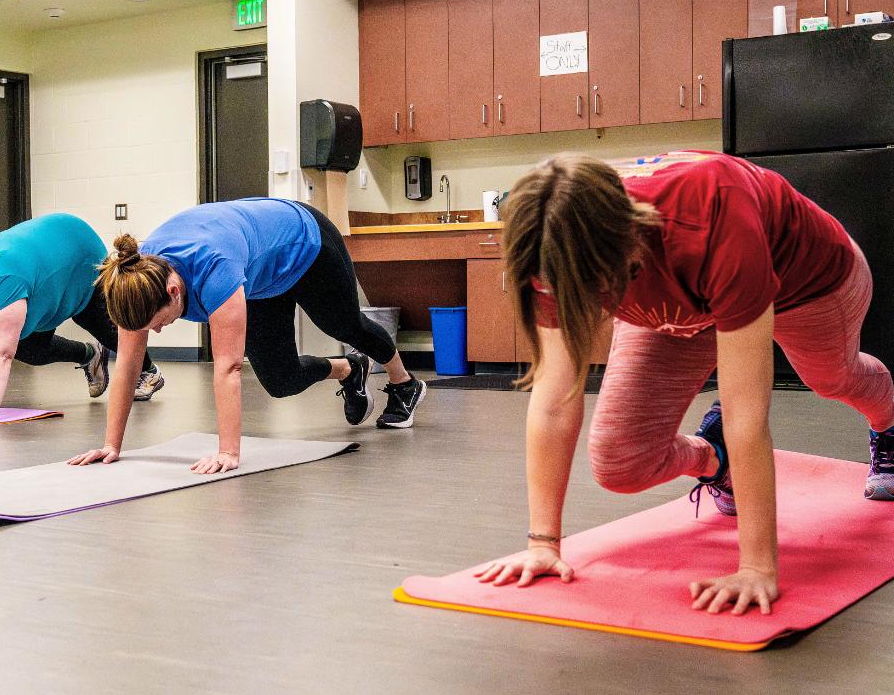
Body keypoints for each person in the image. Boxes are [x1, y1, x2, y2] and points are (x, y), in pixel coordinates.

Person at [475, 150, 894, 616]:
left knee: (834, 379)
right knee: (621, 461)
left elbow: (746, 413)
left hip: (807, 280)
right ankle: (715, 457)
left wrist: (757, 567)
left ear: (626, 240)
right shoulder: (550, 247)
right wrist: (543, 544)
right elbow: (555, 396)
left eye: (591, 286)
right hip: (681, 291)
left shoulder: (713, 214)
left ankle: (889, 423)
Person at [66, 198, 425, 474]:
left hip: (303, 243)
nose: (156, 331)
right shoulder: (136, 283)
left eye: (158, 323)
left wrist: (228, 452)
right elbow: (128, 365)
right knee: (281, 380)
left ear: (174, 292)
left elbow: (228, 368)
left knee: (346, 326)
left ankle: (404, 384)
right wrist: (111, 445)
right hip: (258, 277)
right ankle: (350, 370)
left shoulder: (214, 271)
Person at [0, 214, 164, 425]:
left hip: (74, 249)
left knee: (99, 321)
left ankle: (149, 372)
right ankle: (89, 355)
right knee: (30, 349)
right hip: (39, 268)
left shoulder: (3, 286)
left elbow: (0, 355)